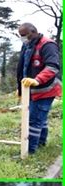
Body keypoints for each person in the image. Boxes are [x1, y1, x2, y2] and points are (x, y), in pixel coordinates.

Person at [16, 23, 62, 154]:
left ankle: (29, 150)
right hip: (31, 89)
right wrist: (20, 88)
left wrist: (37, 80)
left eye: (24, 35)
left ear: (33, 31)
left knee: (34, 119)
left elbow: (52, 67)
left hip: (47, 88)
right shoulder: (27, 45)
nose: (23, 38)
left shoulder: (48, 45)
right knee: (40, 117)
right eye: (21, 36)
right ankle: (41, 142)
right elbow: (22, 68)